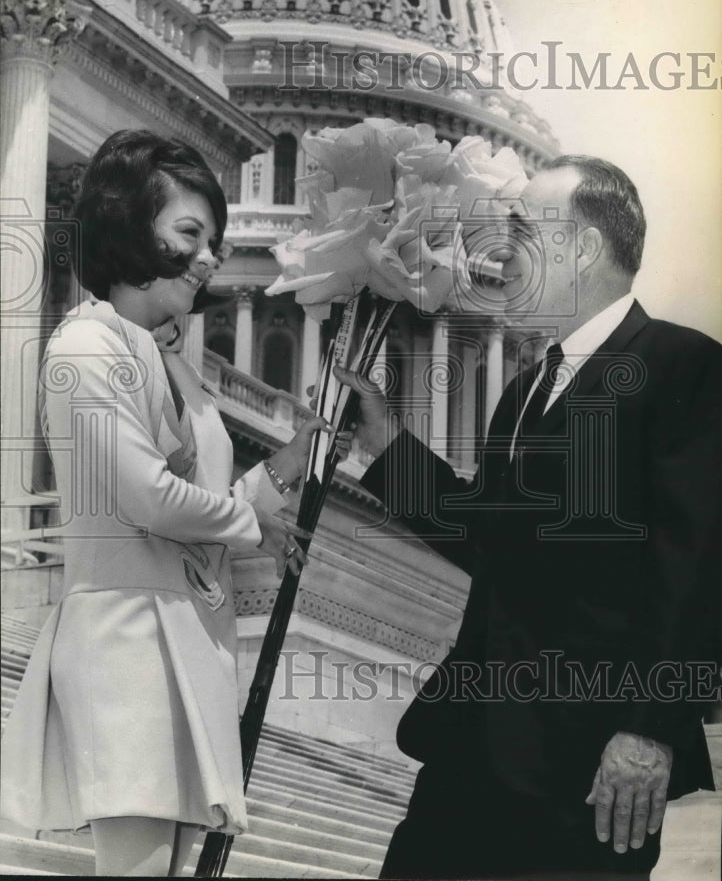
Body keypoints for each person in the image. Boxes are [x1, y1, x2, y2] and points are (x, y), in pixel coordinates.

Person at [336, 156, 720, 880]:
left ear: (583, 247)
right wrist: (387, 443)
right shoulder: (524, 393)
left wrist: (648, 730)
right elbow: (494, 540)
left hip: (590, 770)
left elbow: (698, 571)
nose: (501, 252)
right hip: (470, 753)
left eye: (522, 231)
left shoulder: (684, 367)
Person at [0, 130, 352, 877]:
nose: (209, 256)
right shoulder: (83, 349)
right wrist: (253, 524)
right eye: (190, 234)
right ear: (129, 226)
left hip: (189, 639)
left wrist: (284, 469)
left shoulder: (170, 365)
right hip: (125, 645)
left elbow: (202, 504)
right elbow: (148, 499)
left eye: (214, 241)